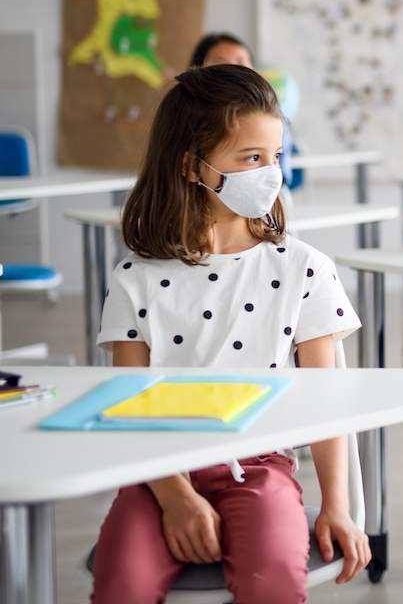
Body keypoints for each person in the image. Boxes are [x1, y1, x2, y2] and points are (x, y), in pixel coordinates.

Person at [90, 65, 369, 604]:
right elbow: (126, 404)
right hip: (156, 469)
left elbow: (329, 404)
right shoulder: (136, 278)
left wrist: (337, 506)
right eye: (251, 159)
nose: (270, 174)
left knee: (272, 583)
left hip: (261, 468)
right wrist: (175, 497)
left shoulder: (304, 268)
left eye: (276, 157)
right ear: (190, 166)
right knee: (121, 584)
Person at [190, 32, 294, 190]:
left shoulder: (269, 112)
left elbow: (282, 171)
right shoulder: (187, 112)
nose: (233, 69)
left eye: (240, 61)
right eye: (220, 62)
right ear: (198, 68)